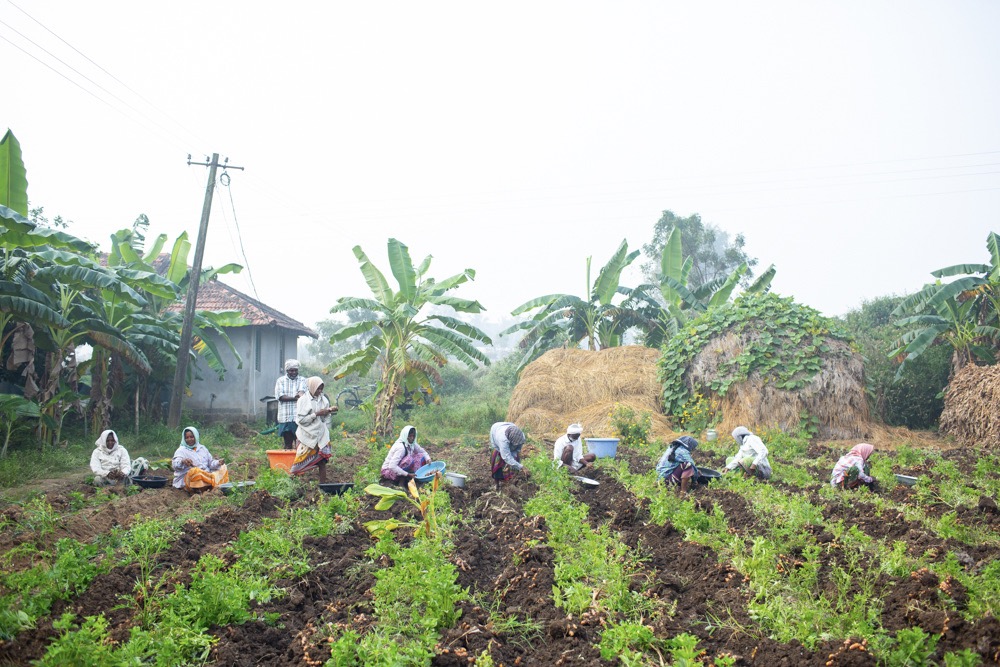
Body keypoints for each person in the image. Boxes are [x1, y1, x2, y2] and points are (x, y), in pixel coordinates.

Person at [291, 376, 337, 483]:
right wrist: (316, 414)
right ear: (312, 387)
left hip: (321, 435)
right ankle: (292, 483)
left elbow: (325, 419)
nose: (320, 391)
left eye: (321, 389)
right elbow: (301, 420)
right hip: (307, 435)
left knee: (322, 461)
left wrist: (328, 411)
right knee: (299, 462)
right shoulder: (303, 400)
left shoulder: (323, 399)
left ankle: (323, 485)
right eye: (318, 389)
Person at [172, 426, 229, 491]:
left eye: (191, 437)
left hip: (206, 474)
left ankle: (210, 485)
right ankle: (197, 488)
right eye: (187, 438)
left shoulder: (202, 448)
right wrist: (182, 461)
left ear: (196, 437)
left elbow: (210, 463)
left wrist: (218, 462)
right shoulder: (181, 450)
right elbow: (175, 465)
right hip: (190, 478)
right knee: (195, 471)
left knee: (223, 467)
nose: (189, 439)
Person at [275, 359, 309, 450]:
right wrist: (295, 398)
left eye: (295, 370)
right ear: (287, 370)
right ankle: (288, 463)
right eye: (291, 370)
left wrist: (298, 396)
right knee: (287, 444)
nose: (294, 372)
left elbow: (302, 393)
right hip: (285, 417)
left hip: (299, 417)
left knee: (300, 445)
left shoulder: (303, 380)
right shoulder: (280, 381)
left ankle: (299, 463)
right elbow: (280, 397)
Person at [490, 421, 529, 491]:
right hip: (496, 431)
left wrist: (513, 460)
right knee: (498, 461)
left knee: (515, 461)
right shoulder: (502, 439)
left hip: (508, 429)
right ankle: (497, 485)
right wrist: (522, 467)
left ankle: (513, 482)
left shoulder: (521, 436)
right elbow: (506, 456)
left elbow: (517, 449)